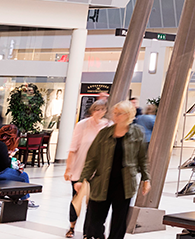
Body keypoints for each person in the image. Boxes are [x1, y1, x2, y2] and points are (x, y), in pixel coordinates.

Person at [80, 102, 149, 239]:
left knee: (119, 221)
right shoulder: (104, 133)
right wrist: (83, 178)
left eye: (119, 113)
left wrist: (146, 178)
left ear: (128, 115)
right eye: (114, 113)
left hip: (124, 184)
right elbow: (92, 157)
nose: (115, 116)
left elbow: (142, 158)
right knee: (94, 220)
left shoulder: (137, 133)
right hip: (102, 182)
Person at [63, 101, 111, 238]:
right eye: (97, 109)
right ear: (92, 110)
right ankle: (72, 226)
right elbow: (73, 149)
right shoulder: (82, 125)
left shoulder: (108, 126)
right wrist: (68, 169)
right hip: (79, 169)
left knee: (93, 204)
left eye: (102, 109)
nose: (99, 112)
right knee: (76, 201)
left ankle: (87, 233)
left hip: (98, 173)